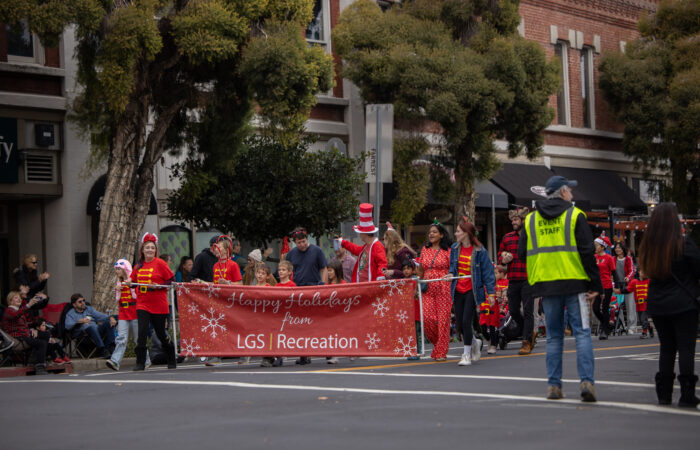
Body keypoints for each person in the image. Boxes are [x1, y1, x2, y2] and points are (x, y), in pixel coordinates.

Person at [518, 175, 602, 402]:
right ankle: (586, 382)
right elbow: (587, 252)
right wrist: (596, 284)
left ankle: (554, 386)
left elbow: (521, 252)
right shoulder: (575, 216)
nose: (572, 195)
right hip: (575, 282)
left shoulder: (531, 220)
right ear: (563, 192)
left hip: (546, 284)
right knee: (582, 333)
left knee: (554, 337)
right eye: (570, 191)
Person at [638, 202, 700, 408]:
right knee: (686, 348)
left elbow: (646, 272)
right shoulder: (683, 244)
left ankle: (664, 393)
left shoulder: (649, 246)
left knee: (666, 348)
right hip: (683, 303)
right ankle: (687, 394)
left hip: (658, 303)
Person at [447, 218, 496, 366]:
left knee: (467, 321)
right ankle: (475, 342)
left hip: (472, 290)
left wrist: (491, 293)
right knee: (460, 325)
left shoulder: (480, 251)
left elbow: (488, 273)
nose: (455, 233)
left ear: (466, 233)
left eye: (458, 231)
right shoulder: (455, 248)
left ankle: (466, 354)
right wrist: (450, 274)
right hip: (457, 289)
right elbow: (452, 268)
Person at [125, 233, 176, 371]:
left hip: (159, 304)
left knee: (160, 333)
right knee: (142, 332)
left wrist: (158, 286)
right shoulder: (138, 265)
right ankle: (140, 362)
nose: (149, 250)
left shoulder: (160, 263)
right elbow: (133, 282)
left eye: (152, 248)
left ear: (155, 250)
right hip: (142, 303)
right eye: (147, 247)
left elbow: (171, 280)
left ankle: (171, 355)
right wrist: (129, 282)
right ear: (142, 250)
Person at [498, 207, 536, 355]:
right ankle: (527, 332)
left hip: (529, 278)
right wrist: (504, 257)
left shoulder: (533, 237)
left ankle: (526, 341)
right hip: (513, 278)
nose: (513, 222)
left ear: (523, 220)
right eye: (512, 220)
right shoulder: (507, 237)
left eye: (516, 219)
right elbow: (500, 255)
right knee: (513, 310)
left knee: (528, 311)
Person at [414, 220, 451, 361]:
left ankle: (441, 352)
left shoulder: (448, 250)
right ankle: (439, 346)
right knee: (428, 319)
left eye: (434, 232)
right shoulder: (425, 249)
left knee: (443, 321)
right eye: (430, 232)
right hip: (427, 287)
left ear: (441, 235)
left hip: (443, 288)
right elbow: (421, 269)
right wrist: (417, 285)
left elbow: (453, 268)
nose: (431, 234)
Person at [106, 259, 150, 371]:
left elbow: (137, 295)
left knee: (138, 339)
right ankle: (115, 361)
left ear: (125, 269)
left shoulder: (132, 281)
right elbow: (117, 299)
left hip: (134, 311)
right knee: (121, 338)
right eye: (116, 269)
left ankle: (146, 360)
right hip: (123, 313)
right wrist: (118, 290)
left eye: (119, 269)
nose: (117, 271)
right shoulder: (118, 283)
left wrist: (129, 286)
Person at [1, 291, 50, 374]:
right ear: (10, 300)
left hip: (25, 336)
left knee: (46, 334)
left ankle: (35, 359)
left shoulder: (19, 310)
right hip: (18, 339)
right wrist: (28, 305)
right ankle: (40, 366)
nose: (19, 299)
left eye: (20, 298)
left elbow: (23, 326)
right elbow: (15, 315)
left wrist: (32, 330)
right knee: (42, 343)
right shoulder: (9, 311)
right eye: (16, 297)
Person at [338, 204, 388, 283]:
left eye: (360, 232)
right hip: (363, 287)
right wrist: (343, 242)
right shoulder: (367, 246)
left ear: (364, 233)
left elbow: (382, 263)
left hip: (370, 288)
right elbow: (356, 249)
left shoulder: (377, 246)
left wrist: (380, 276)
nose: (359, 234)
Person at [64, 293, 116, 359]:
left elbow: (100, 316)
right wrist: (79, 321)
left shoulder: (89, 309)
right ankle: (102, 350)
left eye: (83, 300)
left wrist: (110, 317)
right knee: (91, 327)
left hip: (96, 331)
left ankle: (111, 348)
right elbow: (67, 325)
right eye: (80, 302)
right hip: (83, 335)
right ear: (74, 305)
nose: (83, 303)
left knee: (109, 323)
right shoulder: (71, 313)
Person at [262, 261, 292, 368]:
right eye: (279, 270)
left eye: (283, 270)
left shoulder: (292, 285)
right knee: (277, 334)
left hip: (289, 314)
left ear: (289, 272)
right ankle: (278, 356)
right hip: (279, 314)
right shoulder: (277, 285)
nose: (281, 272)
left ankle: (303, 356)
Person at [593, 236, 617, 340]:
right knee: (595, 308)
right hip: (596, 286)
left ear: (602, 247)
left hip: (607, 285)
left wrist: (615, 285)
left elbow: (614, 272)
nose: (595, 247)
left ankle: (604, 331)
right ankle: (606, 324)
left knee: (605, 307)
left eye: (597, 245)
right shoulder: (594, 257)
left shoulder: (609, 258)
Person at [618, 272, 653, 339]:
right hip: (638, 305)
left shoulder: (649, 281)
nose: (644, 273)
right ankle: (650, 327)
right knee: (642, 319)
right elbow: (628, 290)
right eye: (642, 271)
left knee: (643, 318)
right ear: (639, 272)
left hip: (647, 304)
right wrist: (619, 291)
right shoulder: (634, 282)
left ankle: (644, 332)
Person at [613, 242, 636, 332]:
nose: (617, 249)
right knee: (618, 306)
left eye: (619, 248)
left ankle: (632, 327)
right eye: (616, 248)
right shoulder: (613, 259)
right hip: (618, 285)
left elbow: (632, 270)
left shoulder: (628, 259)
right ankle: (620, 325)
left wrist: (628, 277)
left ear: (623, 249)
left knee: (630, 306)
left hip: (628, 285)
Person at [402, 258, 422, 360]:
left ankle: (417, 352)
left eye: (408, 268)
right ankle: (411, 351)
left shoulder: (415, 280)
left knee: (415, 332)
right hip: (407, 312)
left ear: (413, 269)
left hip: (416, 311)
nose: (406, 271)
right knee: (409, 332)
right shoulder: (403, 282)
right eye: (404, 269)